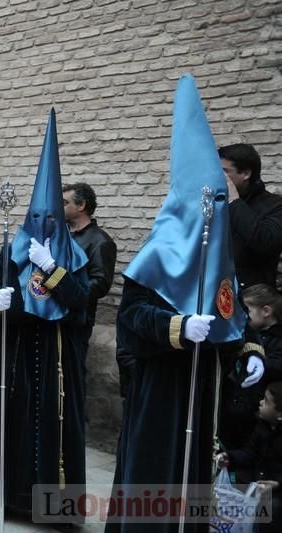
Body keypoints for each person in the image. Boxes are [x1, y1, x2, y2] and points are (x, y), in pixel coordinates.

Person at [105, 75, 265, 533]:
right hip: (162, 390)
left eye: (220, 200)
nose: (212, 213)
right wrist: (176, 326)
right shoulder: (155, 257)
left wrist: (248, 352)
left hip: (206, 388)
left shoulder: (220, 264)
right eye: (204, 203)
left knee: (194, 478)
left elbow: (233, 320)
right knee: (155, 476)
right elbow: (131, 316)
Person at [0, 109, 90, 526]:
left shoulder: (74, 255)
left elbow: (81, 302)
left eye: (51, 219)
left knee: (57, 435)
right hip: (19, 354)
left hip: (58, 358)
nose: (43, 226)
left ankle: (58, 511)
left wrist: (52, 269)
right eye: (37, 219)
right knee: (11, 428)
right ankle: (1, 502)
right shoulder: (12, 250)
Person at [220, 284, 282, 450]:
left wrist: (253, 357)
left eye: (247, 311)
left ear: (266, 311)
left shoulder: (277, 341)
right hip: (231, 407)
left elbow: (277, 365)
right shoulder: (242, 335)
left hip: (253, 415)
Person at [216, 381, 282, 533]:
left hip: (276, 487)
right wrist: (229, 457)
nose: (260, 402)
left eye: (266, 401)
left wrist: (277, 484)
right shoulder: (262, 426)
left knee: (272, 508)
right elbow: (249, 453)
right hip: (257, 480)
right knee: (232, 482)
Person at [220, 143, 282, 290]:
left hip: (253, 297)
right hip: (217, 292)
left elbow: (264, 242)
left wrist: (234, 201)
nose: (218, 176)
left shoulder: (275, 205)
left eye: (224, 171)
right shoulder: (217, 202)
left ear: (246, 174)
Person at [62, 182, 117, 341]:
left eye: (65, 203)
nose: (59, 207)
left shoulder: (100, 241)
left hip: (77, 320)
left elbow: (100, 284)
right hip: (52, 313)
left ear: (81, 206)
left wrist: (66, 287)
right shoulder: (60, 235)